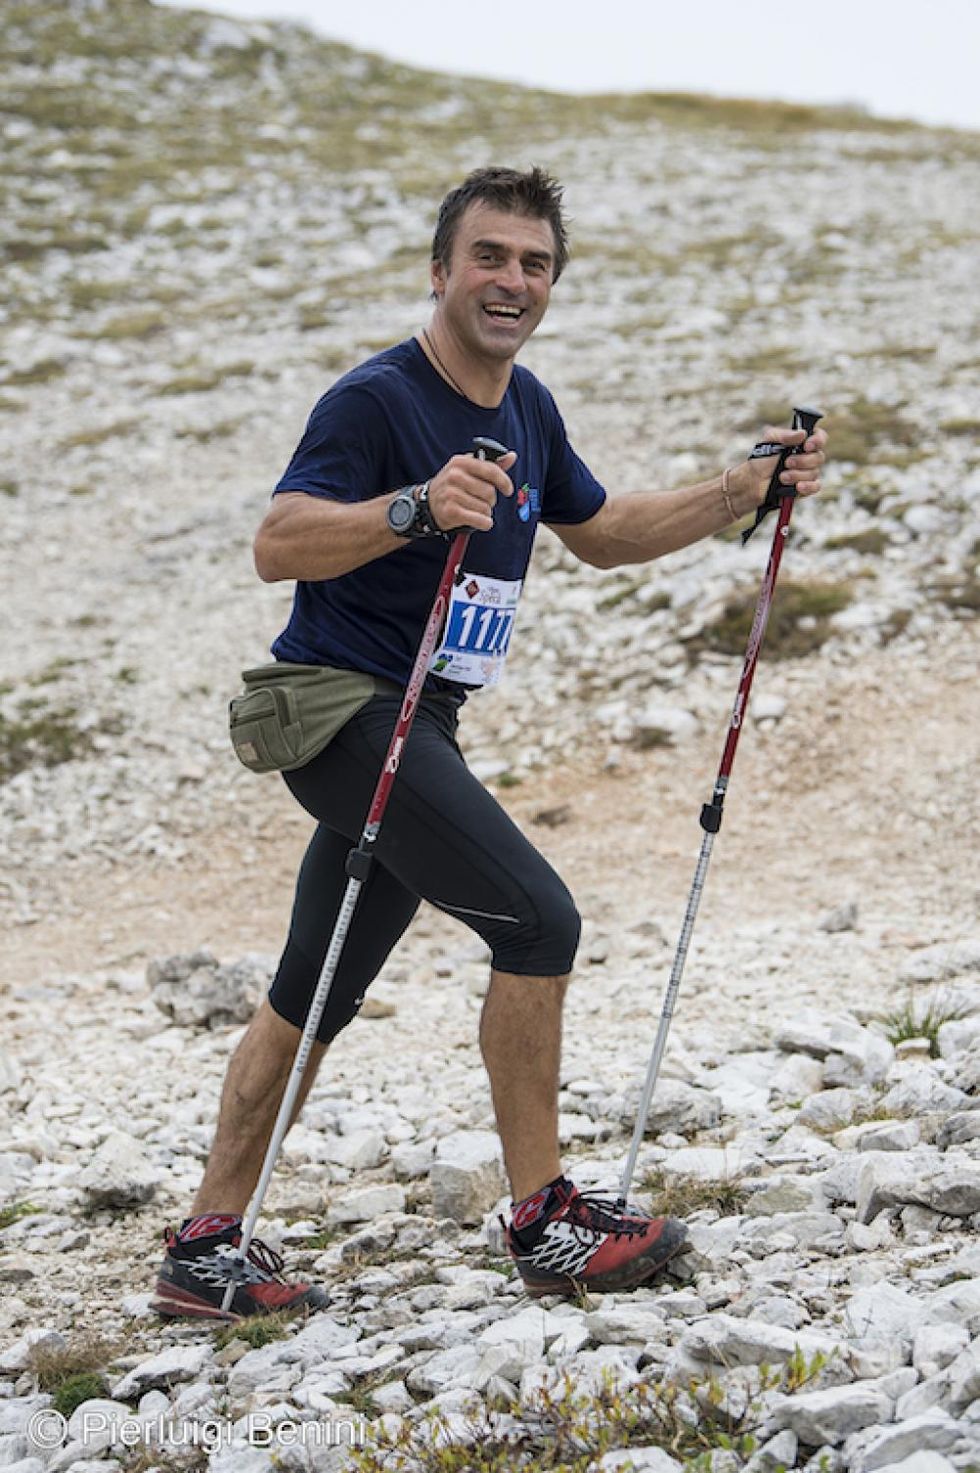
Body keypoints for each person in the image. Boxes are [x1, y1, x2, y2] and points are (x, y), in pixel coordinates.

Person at [152, 166, 826, 1320]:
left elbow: (602, 533)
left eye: (534, 263)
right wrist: (412, 507)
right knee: (539, 919)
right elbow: (277, 543)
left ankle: (205, 1251)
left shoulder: (529, 409)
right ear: (440, 270)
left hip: (424, 723)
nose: (512, 281)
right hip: (339, 710)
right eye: (490, 257)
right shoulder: (375, 401)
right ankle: (545, 1219)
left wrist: (738, 492)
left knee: (318, 981)